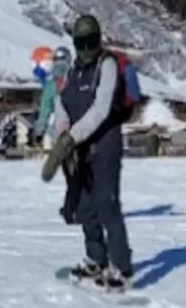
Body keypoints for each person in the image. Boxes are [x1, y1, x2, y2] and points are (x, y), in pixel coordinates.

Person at [41, 16, 132, 291]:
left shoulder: (107, 66)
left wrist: (70, 138)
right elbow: (61, 103)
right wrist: (63, 131)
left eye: (91, 41)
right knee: (84, 207)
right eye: (81, 43)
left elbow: (101, 109)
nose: (86, 48)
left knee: (106, 203)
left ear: (98, 39)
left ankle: (121, 267)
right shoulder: (72, 71)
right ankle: (96, 258)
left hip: (104, 146)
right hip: (78, 151)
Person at [37, 46, 72, 152]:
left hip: (56, 130)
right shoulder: (77, 77)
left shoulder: (51, 83)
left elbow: (45, 108)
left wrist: (39, 131)